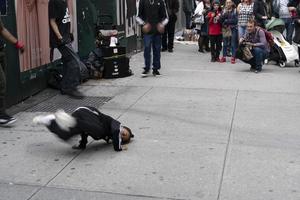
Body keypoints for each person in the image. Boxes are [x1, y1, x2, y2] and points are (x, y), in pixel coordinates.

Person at [33, 106, 134, 151]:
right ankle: (72, 121)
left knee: (65, 136)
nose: (121, 135)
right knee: (98, 130)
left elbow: (86, 130)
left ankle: (50, 121)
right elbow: (116, 131)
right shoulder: (116, 124)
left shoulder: (107, 134)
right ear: (123, 127)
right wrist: (119, 147)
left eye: (123, 138)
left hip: (83, 121)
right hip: (87, 112)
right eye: (124, 133)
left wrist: (82, 144)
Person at [49, 0, 83, 98]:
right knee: (75, 62)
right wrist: (60, 37)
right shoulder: (54, 2)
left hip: (66, 37)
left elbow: (65, 19)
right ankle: (71, 87)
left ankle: (65, 87)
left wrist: (69, 33)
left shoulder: (64, 1)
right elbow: (52, 21)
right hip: (61, 39)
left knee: (68, 62)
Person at [0, 17, 25, 127]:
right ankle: (1, 115)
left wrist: (17, 43)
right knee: (1, 84)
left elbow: (1, 29)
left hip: (0, 53)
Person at [136, 0, 169, 77]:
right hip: (147, 31)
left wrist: (162, 24)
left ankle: (155, 69)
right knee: (147, 48)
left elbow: (166, 17)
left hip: (157, 31)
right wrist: (143, 24)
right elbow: (137, 16)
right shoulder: (142, 1)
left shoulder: (161, 1)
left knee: (157, 49)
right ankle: (147, 68)